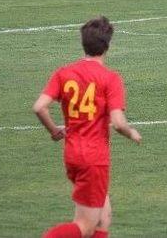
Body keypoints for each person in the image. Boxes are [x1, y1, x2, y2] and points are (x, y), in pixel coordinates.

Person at [33, 16, 141, 238]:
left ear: (83, 43)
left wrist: (54, 131)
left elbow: (39, 107)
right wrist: (131, 133)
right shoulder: (110, 79)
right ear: (107, 46)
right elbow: (118, 122)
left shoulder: (64, 73)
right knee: (85, 226)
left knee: (104, 217)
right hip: (94, 158)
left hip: (72, 153)